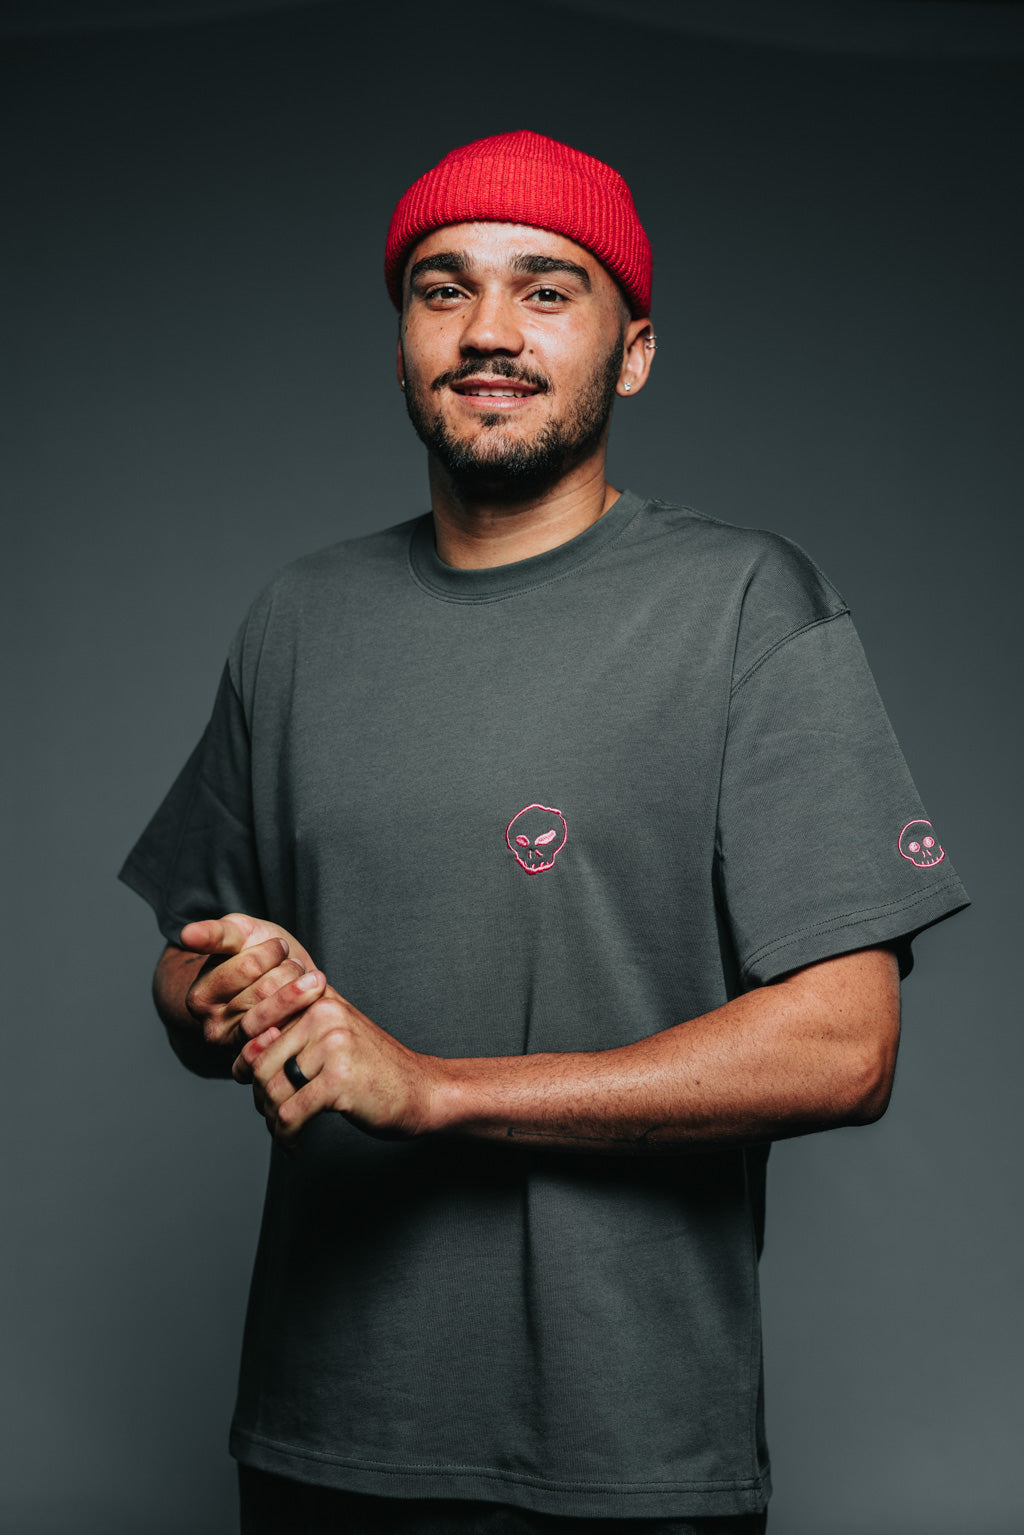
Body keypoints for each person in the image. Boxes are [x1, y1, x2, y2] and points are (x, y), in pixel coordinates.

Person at [120, 131, 968, 1535]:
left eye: (547, 290)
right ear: (399, 344)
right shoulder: (298, 619)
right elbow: (184, 957)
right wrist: (223, 994)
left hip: (626, 1458)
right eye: (443, 290)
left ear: (632, 351)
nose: (489, 332)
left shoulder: (748, 604)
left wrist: (439, 1090)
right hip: (316, 1438)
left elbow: (845, 1042)